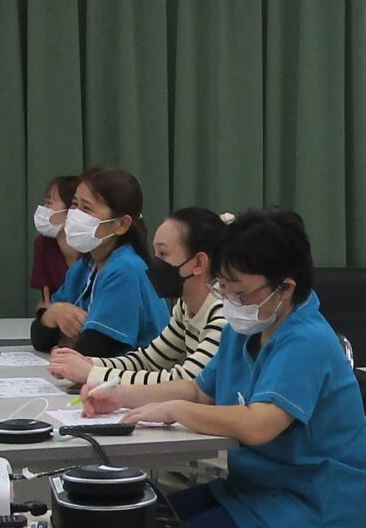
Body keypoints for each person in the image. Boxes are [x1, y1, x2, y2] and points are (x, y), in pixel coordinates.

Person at [82, 210, 366, 528]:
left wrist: (176, 411)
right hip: (255, 489)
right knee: (147, 520)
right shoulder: (247, 327)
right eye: (223, 288)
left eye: (241, 293)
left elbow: (259, 425)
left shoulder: (307, 341)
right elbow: (199, 389)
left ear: (285, 288)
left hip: (313, 507)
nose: (231, 300)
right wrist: (121, 395)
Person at [50, 207, 228, 390]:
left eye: (163, 254)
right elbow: (149, 360)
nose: (155, 263)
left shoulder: (222, 312)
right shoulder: (186, 307)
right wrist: (88, 363)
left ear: (198, 263)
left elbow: (186, 382)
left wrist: (92, 373)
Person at [32, 167, 166, 359]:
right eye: (74, 205)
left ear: (121, 224)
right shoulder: (83, 268)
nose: (75, 215)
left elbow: (94, 350)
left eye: (86, 208)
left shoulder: (125, 270)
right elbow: (40, 338)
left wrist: (68, 339)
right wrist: (54, 313)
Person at [29, 172, 74, 308]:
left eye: (49, 202)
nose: (43, 208)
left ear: (71, 210)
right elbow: (46, 301)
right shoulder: (43, 243)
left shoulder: (92, 246)